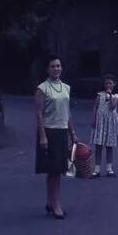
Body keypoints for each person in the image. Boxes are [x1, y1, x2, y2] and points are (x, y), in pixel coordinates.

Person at [35, 55, 79, 220]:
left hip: (62, 132)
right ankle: (56, 205)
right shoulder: (42, 88)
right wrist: (42, 137)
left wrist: (72, 133)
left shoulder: (66, 88)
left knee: (58, 170)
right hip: (49, 131)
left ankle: (50, 202)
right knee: (53, 170)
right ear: (47, 69)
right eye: (53, 66)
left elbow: (67, 113)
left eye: (58, 66)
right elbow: (39, 114)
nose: (56, 69)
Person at [91, 74, 118, 178]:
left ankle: (109, 168)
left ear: (114, 84)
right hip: (101, 122)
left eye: (110, 83)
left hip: (110, 122)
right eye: (106, 83)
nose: (108, 85)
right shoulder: (100, 95)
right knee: (99, 145)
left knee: (109, 146)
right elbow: (95, 107)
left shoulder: (116, 96)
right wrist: (94, 118)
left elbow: (112, 107)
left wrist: (109, 96)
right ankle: (97, 169)